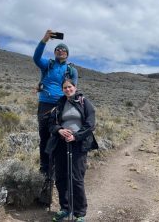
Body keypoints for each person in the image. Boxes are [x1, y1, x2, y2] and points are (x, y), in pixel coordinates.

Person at [46, 79, 98, 222]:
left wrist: (76, 136)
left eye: (70, 87)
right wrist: (60, 130)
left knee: (76, 178)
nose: (67, 89)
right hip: (61, 144)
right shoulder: (60, 104)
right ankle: (65, 208)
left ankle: (80, 213)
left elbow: (90, 124)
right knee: (61, 177)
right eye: (65, 88)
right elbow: (51, 123)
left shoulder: (84, 102)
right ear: (62, 90)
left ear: (75, 87)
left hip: (78, 144)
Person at [33, 30, 78, 174]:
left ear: (67, 54)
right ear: (54, 52)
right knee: (45, 136)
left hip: (62, 106)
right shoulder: (48, 64)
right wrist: (44, 39)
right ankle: (45, 168)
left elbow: (73, 89)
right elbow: (36, 57)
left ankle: (58, 167)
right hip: (45, 104)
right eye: (58, 49)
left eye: (63, 50)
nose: (60, 51)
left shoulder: (71, 70)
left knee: (60, 136)